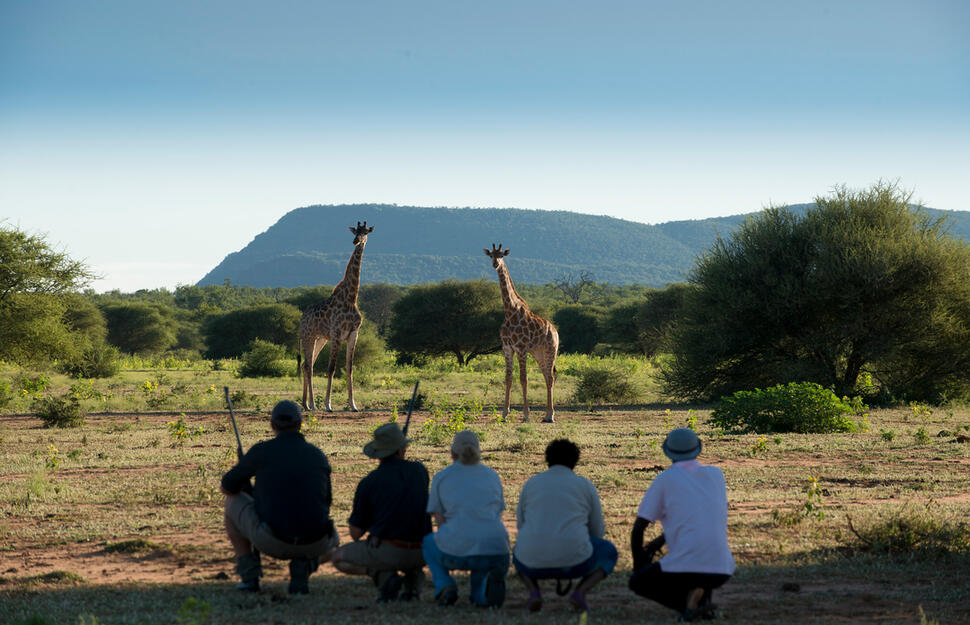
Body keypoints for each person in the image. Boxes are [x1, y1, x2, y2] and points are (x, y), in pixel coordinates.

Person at [221, 400, 337, 594]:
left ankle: (249, 577)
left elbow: (227, 487)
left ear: (272, 424)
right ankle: (305, 566)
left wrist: (251, 491)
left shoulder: (261, 451)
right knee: (335, 544)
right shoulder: (318, 455)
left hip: (273, 540)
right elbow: (327, 501)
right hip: (318, 541)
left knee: (231, 502)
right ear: (300, 424)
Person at [629, 428, 735, 621]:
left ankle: (686, 608)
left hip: (685, 568)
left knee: (638, 582)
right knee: (701, 560)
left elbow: (639, 527)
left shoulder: (665, 479)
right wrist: (660, 541)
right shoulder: (716, 475)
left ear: (666, 451)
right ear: (698, 449)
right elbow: (698, 517)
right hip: (722, 568)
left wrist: (639, 565)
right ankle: (701, 604)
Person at [513, 438, 618, 612]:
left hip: (531, 562)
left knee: (518, 550)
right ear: (575, 461)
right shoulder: (585, 485)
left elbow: (521, 524)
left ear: (547, 459)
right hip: (576, 562)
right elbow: (598, 530)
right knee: (609, 551)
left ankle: (534, 592)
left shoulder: (531, 483)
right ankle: (580, 592)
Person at [331, 422, 431, 602]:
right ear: (402, 450)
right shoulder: (420, 471)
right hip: (422, 552)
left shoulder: (369, 482)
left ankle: (382, 575)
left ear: (378, 453)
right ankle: (413, 581)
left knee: (338, 558)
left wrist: (376, 529)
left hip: (389, 550)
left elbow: (355, 534)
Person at [422, 430, 510, 608]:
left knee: (428, 543)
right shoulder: (492, 475)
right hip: (498, 549)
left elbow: (440, 521)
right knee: (482, 555)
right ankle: (480, 596)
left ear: (452, 453)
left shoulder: (442, 476)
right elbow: (497, 514)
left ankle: (445, 584)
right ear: (479, 452)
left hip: (459, 551)